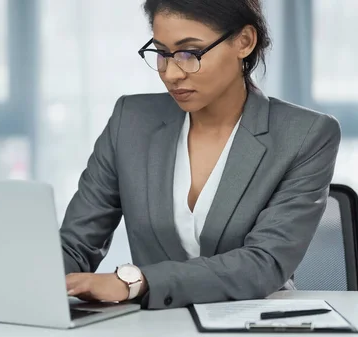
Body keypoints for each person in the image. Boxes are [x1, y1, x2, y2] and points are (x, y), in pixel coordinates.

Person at [61, 0, 341, 310]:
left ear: (244, 42)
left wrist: (138, 282)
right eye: (161, 53)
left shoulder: (305, 135)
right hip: (153, 328)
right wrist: (30, 280)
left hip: (252, 322)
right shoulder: (131, 121)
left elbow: (263, 263)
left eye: (189, 53)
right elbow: (75, 244)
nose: (171, 73)